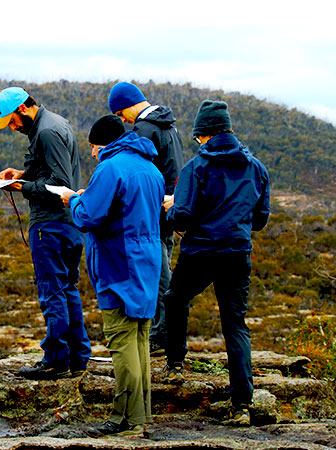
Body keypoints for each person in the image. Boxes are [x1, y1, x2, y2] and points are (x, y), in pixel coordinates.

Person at [162, 100, 270, 427]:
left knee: (175, 299)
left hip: (201, 252)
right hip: (237, 252)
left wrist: (169, 209)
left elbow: (184, 215)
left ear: (204, 135)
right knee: (235, 325)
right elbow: (261, 220)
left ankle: (175, 363)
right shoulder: (257, 168)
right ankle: (242, 406)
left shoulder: (196, 167)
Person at [59, 115, 164, 437]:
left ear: (103, 142)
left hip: (117, 263)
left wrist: (73, 199)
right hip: (147, 261)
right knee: (140, 340)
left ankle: (132, 423)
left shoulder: (111, 168)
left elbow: (89, 217)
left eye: (93, 146)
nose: (92, 153)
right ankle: (133, 415)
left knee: (121, 341)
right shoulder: (151, 169)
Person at [0, 86, 91, 380]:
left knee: (52, 292)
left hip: (50, 224)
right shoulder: (56, 124)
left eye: (11, 120)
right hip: (69, 224)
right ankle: (78, 358)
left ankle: (56, 359)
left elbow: (58, 183)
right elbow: (52, 172)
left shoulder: (46, 132)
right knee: (67, 289)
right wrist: (22, 174)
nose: (11, 128)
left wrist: (21, 187)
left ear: (22, 109)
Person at [108, 82, 184, 356]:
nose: (122, 120)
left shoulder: (145, 130)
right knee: (165, 266)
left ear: (128, 104)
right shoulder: (169, 126)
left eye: (119, 113)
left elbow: (137, 171)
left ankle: (161, 335)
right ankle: (166, 332)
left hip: (152, 208)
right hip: (171, 206)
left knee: (158, 272)